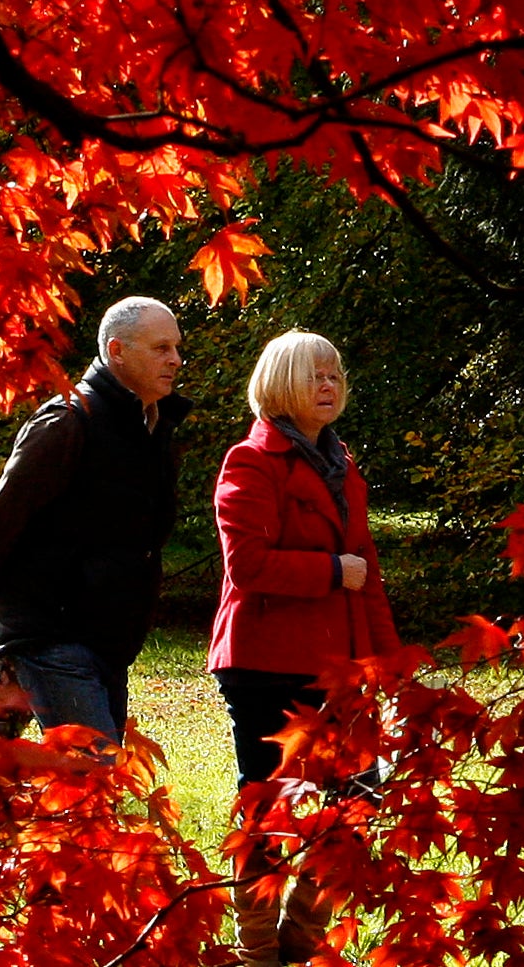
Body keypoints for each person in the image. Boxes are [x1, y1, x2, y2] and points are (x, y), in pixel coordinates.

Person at [209, 330, 398, 967]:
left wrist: (386, 660)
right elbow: (248, 565)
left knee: (360, 801)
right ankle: (259, 950)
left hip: (338, 667)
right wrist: (329, 571)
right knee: (266, 805)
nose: (329, 385)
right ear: (282, 384)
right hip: (265, 662)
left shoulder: (344, 466)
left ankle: (299, 942)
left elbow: (364, 573)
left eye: (336, 374)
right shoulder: (251, 462)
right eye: (315, 374)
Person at [0, 295, 191, 741]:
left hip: (107, 639)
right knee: (94, 777)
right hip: (50, 632)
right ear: (117, 352)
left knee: (90, 792)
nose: (176, 360)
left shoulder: (153, 427)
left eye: (177, 348)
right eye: (161, 348)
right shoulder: (70, 420)